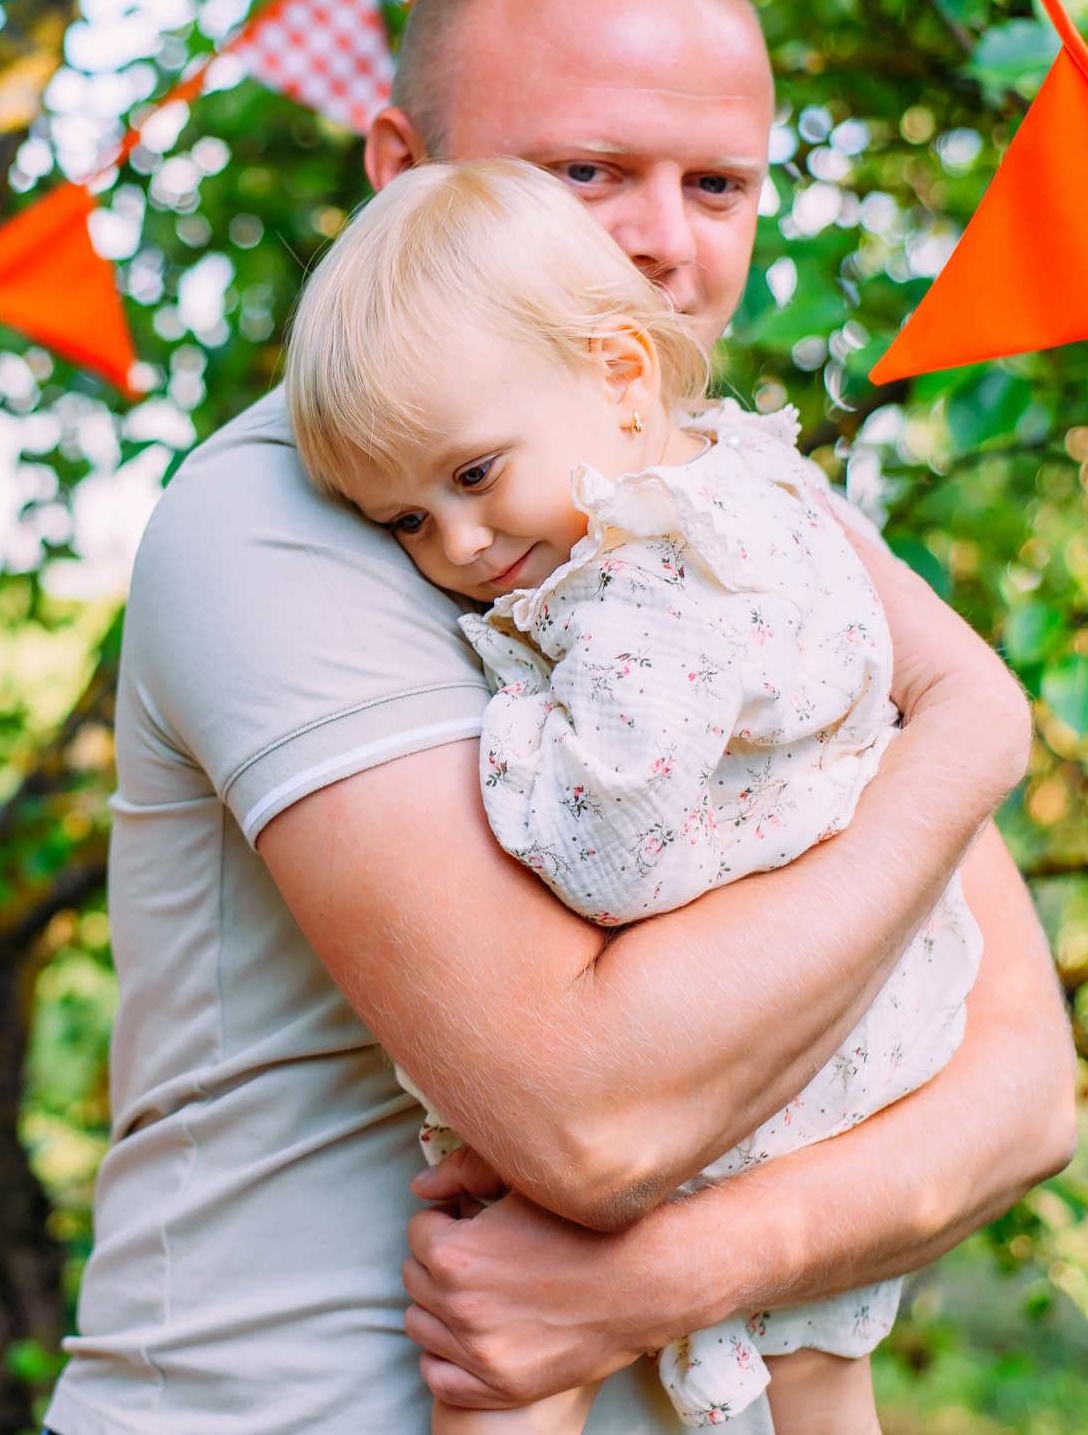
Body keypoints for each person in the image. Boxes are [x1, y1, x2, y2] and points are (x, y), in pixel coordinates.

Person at [43, 0, 1075, 1435]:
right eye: (585, 171)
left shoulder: (738, 507)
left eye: (717, 182)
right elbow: (590, 1115)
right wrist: (967, 731)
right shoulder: (290, 524)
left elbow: (1017, 1088)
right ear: (403, 174)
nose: (663, 238)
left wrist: (667, 1280)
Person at [286, 156, 990, 1435]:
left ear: (619, 376)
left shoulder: (639, 595)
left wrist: (503, 738)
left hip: (747, 1050)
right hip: (855, 1019)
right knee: (822, 1369)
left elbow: (620, 856)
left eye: (474, 473)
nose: (455, 546)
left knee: (507, 1341)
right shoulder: (754, 483)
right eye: (399, 521)